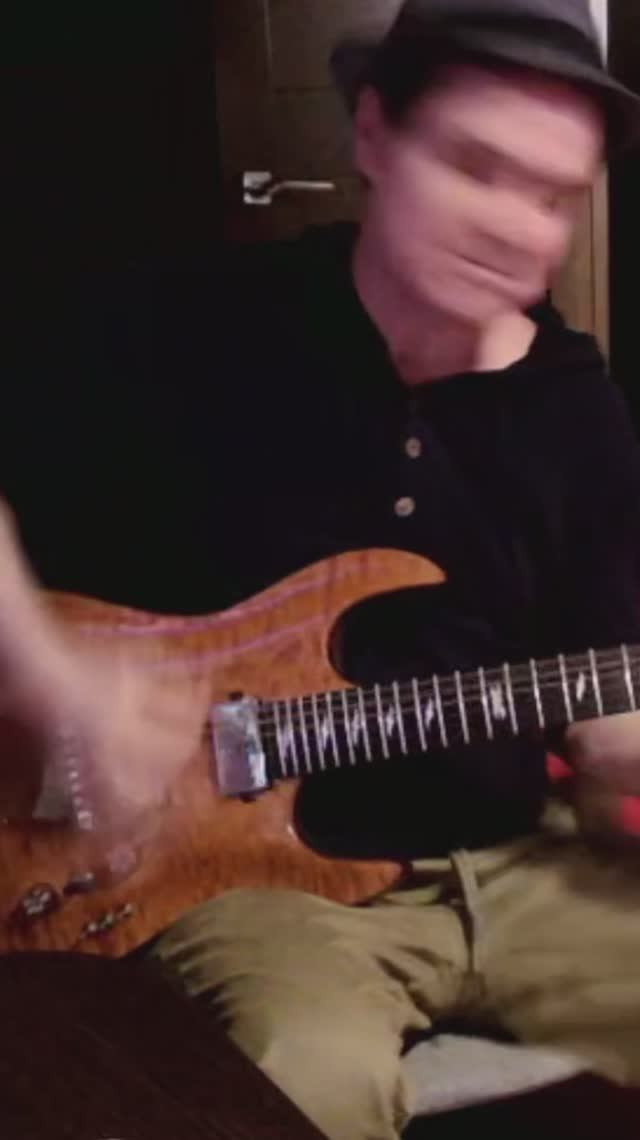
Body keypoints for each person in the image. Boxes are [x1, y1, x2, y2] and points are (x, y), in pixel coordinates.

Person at [4, 0, 640, 1137]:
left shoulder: (574, 404)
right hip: (251, 884)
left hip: (516, 864)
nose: (514, 228)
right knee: (305, 1082)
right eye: (476, 166)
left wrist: (618, 762)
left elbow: (601, 730)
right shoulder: (190, 324)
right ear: (375, 133)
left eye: (553, 197)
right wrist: (57, 681)